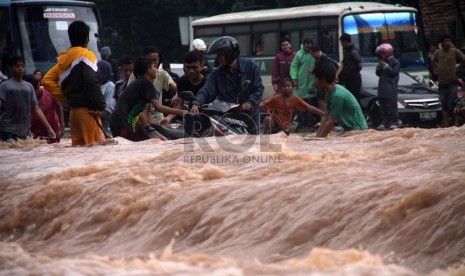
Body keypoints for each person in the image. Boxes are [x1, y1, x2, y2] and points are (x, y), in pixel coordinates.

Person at [42, 20, 106, 146]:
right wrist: (101, 105)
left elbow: (46, 80)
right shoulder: (87, 55)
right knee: (94, 154)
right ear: (87, 38)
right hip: (88, 113)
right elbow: (89, 80)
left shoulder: (64, 58)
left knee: (79, 153)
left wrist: (65, 98)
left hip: (74, 114)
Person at [190, 36, 264, 134]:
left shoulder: (250, 66)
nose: (218, 58)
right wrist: (196, 103)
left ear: (230, 53)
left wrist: (249, 103)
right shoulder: (216, 74)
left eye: (221, 55)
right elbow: (206, 90)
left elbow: (258, 89)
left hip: (251, 117)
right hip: (229, 119)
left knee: (254, 145)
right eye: (218, 55)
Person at [109, 56, 187, 141]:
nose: (156, 69)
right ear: (148, 70)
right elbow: (158, 107)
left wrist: (146, 124)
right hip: (121, 121)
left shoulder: (140, 83)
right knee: (123, 148)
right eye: (153, 67)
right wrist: (180, 112)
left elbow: (142, 108)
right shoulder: (146, 83)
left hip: (121, 121)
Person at [0, 56, 56, 141]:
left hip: (24, 131)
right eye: (17, 66)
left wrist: (49, 128)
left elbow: (36, 108)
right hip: (7, 129)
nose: (20, 69)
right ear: (10, 68)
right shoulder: (5, 86)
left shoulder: (29, 87)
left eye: (22, 66)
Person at [127, 45, 179, 124]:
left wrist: (177, 95)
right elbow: (134, 103)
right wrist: (181, 112)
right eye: (149, 61)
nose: (153, 64)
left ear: (159, 60)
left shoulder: (162, 75)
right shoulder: (138, 78)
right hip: (138, 122)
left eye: (155, 60)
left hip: (157, 121)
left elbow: (178, 88)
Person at [315, 63, 367, 138]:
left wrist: (319, 141)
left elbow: (330, 122)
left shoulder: (338, 95)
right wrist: (317, 137)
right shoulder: (329, 92)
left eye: (316, 78)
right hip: (349, 130)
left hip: (358, 131)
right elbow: (326, 117)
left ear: (322, 80)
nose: (315, 81)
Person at [260, 77, 324, 135]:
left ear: (292, 87)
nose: (286, 88)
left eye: (288, 86)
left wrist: (323, 113)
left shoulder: (296, 99)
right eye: (284, 86)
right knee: (267, 119)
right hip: (275, 123)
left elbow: (309, 107)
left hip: (285, 126)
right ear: (281, 88)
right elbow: (263, 103)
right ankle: (264, 136)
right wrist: (256, 105)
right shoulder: (275, 98)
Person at [431, 34, 465, 127]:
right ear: (442, 43)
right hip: (442, 83)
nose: (448, 43)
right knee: (444, 103)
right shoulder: (438, 52)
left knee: (453, 101)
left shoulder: (455, 51)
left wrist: (457, 67)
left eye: (449, 41)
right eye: (446, 41)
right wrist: (437, 69)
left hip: (452, 81)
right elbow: (432, 61)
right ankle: (446, 123)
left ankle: (456, 121)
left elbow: (463, 59)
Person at [290, 38, 318, 131]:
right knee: (301, 105)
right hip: (301, 83)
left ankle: (310, 123)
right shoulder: (299, 54)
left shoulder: (314, 53)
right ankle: (302, 123)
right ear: (303, 45)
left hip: (312, 83)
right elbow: (294, 67)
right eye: (306, 47)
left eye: (309, 47)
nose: (308, 49)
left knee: (311, 105)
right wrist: (294, 78)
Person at [28, 77, 64, 143]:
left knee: (55, 146)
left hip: (52, 124)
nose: (37, 91)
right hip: (36, 126)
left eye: (37, 88)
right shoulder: (27, 96)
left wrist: (62, 125)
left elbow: (59, 106)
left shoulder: (48, 91)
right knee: (37, 147)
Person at [375, 43, 400, 130]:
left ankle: (394, 121)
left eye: (382, 53)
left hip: (391, 88)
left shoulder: (395, 62)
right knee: (383, 107)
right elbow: (378, 74)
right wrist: (379, 67)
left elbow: (393, 73)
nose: (381, 56)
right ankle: (385, 122)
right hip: (382, 88)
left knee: (391, 106)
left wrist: (386, 66)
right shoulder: (383, 62)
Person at [335, 33, 363, 103]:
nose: (341, 44)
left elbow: (360, 66)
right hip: (348, 79)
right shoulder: (346, 50)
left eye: (341, 42)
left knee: (355, 99)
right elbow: (343, 63)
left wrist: (352, 70)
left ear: (345, 42)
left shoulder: (354, 51)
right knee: (349, 98)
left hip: (354, 79)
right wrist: (337, 74)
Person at [311, 45, 337, 113]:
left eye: (312, 54)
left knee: (323, 104)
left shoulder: (324, 59)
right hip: (322, 85)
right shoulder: (321, 59)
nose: (312, 56)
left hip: (323, 85)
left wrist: (313, 71)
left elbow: (322, 71)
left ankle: (325, 118)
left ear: (316, 52)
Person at [97, 60, 116, 137]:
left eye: (98, 71)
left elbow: (109, 108)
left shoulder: (110, 86)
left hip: (105, 120)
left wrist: (97, 114)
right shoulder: (95, 86)